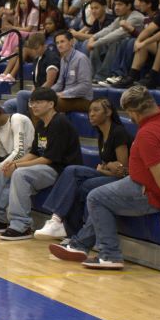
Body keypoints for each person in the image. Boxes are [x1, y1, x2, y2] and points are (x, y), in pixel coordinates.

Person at [50, 86, 160, 270]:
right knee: (99, 193)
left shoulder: (148, 133)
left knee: (96, 197)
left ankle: (109, 254)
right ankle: (79, 245)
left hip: (149, 192)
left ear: (133, 111)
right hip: (149, 184)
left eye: (129, 114)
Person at [0, 88, 82, 240]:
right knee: (6, 168)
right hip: (45, 167)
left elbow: (49, 159)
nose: (33, 106)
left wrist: (17, 166)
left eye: (38, 102)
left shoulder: (60, 123)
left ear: (51, 104)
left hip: (60, 171)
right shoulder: (41, 125)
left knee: (20, 173)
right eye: (32, 102)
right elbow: (35, 153)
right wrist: (13, 163)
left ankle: (22, 225)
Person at [34, 98, 132, 240]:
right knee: (74, 176)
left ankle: (59, 223)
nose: (91, 114)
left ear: (109, 112)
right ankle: (65, 228)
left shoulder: (118, 132)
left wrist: (106, 167)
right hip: (108, 175)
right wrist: (106, 168)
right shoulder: (101, 134)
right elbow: (108, 167)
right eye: (89, 111)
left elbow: (123, 170)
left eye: (96, 110)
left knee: (75, 176)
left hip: (123, 181)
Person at [88, 0, 145, 82]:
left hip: (136, 47)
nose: (116, 8)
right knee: (96, 45)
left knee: (115, 42)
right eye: (115, 5)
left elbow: (118, 33)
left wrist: (96, 43)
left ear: (129, 6)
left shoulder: (135, 17)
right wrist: (93, 38)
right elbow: (109, 29)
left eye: (120, 5)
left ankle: (104, 76)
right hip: (126, 44)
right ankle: (94, 76)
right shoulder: (120, 18)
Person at [2, 32, 60, 117]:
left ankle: (21, 124)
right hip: (38, 92)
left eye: (36, 48)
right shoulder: (37, 58)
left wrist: (35, 95)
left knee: (21, 94)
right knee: (8, 104)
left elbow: (49, 83)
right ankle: (15, 127)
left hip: (48, 93)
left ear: (43, 45)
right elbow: (36, 82)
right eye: (33, 48)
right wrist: (34, 91)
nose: (34, 51)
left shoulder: (51, 58)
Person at [52, 31, 93, 112]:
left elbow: (85, 85)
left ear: (71, 42)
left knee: (47, 104)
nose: (59, 45)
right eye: (57, 43)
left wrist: (64, 94)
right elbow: (59, 83)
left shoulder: (81, 58)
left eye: (62, 41)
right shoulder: (63, 59)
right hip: (68, 97)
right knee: (39, 100)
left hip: (83, 99)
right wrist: (47, 92)